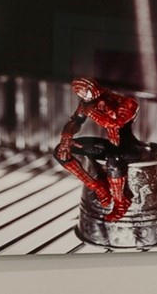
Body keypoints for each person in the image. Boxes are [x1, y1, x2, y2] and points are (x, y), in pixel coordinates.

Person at [54, 77, 142, 222]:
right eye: (80, 95)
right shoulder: (88, 104)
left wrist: (92, 112)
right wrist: (66, 137)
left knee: (114, 159)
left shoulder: (126, 103)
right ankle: (98, 187)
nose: (83, 98)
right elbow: (75, 121)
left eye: (84, 94)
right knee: (61, 151)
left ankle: (121, 202)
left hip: (128, 148)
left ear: (92, 89)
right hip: (110, 147)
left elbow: (115, 124)